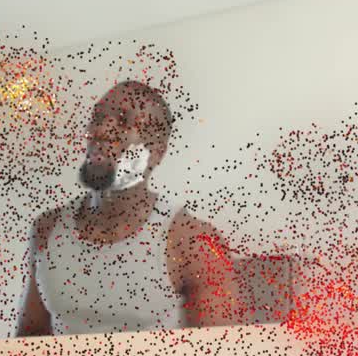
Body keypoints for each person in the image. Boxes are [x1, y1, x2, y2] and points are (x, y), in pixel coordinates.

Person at [16, 81, 238, 337]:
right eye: (97, 118)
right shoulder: (47, 230)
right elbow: (28, 341)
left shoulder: (192, 242)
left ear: (156, 152)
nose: (100, 130)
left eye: (124, 122)